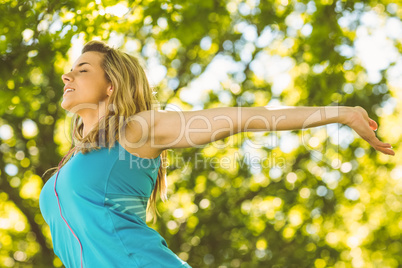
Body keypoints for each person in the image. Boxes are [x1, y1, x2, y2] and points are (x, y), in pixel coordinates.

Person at [39, 40, 395, 268]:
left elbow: (239, 119)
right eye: (71, 69)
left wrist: (342, 114)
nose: (68, 75)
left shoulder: (137, 129)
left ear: (111, 84)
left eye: (82, 69)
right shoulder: (71, 163)